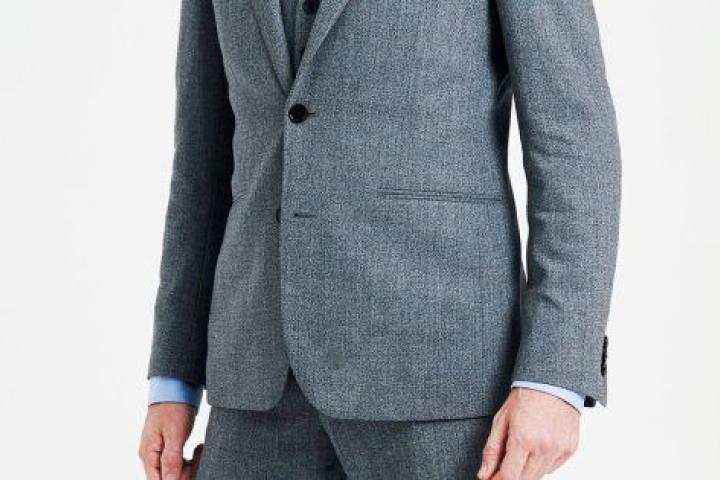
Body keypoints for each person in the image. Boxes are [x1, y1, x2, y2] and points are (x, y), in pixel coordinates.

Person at [139, 0, 620, 478]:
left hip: (439, 383)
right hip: (255, 380)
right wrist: (174, 377)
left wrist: (555, 376)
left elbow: (575, 145)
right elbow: (201, 161)